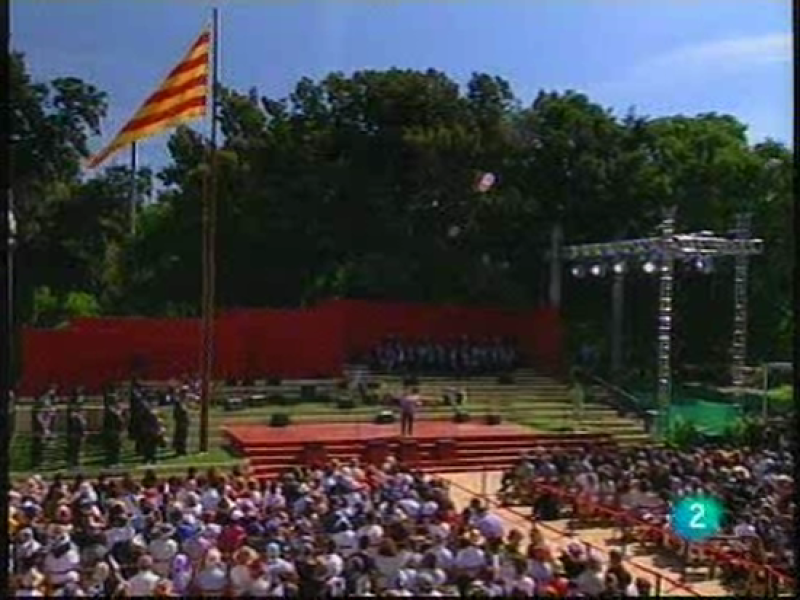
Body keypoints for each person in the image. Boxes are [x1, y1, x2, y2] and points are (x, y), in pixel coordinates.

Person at [66, 402, 87, 468]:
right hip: (76, 435)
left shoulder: (80, 417)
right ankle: (74, 463)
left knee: (77, 450)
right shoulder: (76, 417)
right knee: (75, 450)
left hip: (79, 435)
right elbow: (77, 426)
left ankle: (76, 463)